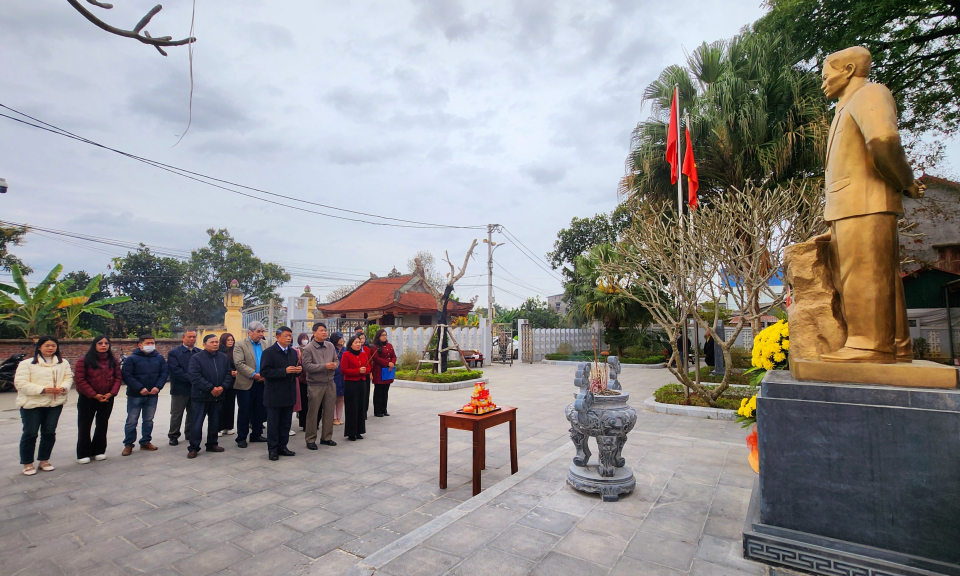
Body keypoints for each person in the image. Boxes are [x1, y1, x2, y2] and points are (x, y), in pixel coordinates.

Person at [14, 336, 73, 475]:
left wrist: (63, 388)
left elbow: (68, 378)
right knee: (30, 433)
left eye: (53, 345)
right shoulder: (27, 364)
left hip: (54, 403)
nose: (50, 348)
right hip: (32, 404)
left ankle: (44, 460)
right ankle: (28, 463)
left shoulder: (62, 363)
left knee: (49, 432)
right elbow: (21, 384)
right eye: (47, 345)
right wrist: (43, 389)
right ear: (39, 347)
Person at [74, 336, 121, 463]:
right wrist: (94, 395)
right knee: (85, 425)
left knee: (102, 424)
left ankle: (99, 450)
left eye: (106, 343)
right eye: (100, 343)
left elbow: (118, 378)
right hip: (88, 398)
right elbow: (80, 380)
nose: (103, 345)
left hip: (107, 398)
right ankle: (83, 452)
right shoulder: (84, 361)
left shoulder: (113, 360)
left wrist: (111, 393)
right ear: (94, 345)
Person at [187, 334, 233, 458]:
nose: (215, 344)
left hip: (218, 396)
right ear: (204, 344)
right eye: (212, 342)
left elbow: (228, 374)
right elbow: (195, 376)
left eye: (216, 342)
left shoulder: (223, 357)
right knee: (197, 423)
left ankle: (212, 444)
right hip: (201, 397)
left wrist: (222, 387)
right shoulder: (196, 358)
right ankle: (193, 447)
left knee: (215, 422)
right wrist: (211, 388)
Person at [121, 334, 167, 456]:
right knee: (132, 420)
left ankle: (145, 441)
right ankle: (128, 444)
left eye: (152, 343)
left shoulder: (159, 358)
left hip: (152, 395)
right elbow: (127, 375)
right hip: (135, 395)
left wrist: (158, 387)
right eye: (147, 343)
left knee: (148, 420)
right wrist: (139, 388)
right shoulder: (131, 359)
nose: (150, 345)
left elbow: (164, 373)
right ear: (140, 345)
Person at [260, 327, 301, 461]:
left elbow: (295, 371)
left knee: (286, 423)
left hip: (289, 393)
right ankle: (272, 449)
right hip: (274, 394)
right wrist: (284, 371)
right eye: (286, 336)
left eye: (290, 336)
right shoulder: (269, 352)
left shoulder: (293, 353)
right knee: (273, 424)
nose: (289, 338)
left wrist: (298, 370)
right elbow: (264, 372)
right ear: (277, 337)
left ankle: (283, 446)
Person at [301, 322, 339, 450]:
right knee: (313, 412)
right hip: (315, 384)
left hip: (330, 383)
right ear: (314, 332)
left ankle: (326, 437)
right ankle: (310, 439)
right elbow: (306, 366)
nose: (324, 332)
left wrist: (335, 365)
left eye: (325, 330)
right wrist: (324, 366)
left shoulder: (330, 346)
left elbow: (336, 360)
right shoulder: (308, 348)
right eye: (321, 330)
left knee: (329, 412)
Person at [234, 322, 268, 448]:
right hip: (246, 383)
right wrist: (254, 374)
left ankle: (256, 434)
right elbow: (239, 363)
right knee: (245, 411)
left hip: (262, 382)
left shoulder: (266, 344)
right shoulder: (240, 344)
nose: (261, 334)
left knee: (260, 410)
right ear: (250, 332)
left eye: (262, 331)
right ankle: (241, 437)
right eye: (259, 331)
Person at [166, 329, 200, 446]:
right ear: (183, 338)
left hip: (195, 389)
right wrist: (193, 378)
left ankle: (189, 433)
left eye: (194, 337)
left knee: (193, 412)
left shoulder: (198, 352)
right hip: (179, 388)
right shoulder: (174, 353)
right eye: (189, 337)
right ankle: (173, 435)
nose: (192, 339)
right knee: (177, 413)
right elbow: (175, 370)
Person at [340, 335, 368, 441]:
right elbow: (344, 370)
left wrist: (365, 370)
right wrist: (358, 371)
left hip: (361, 383)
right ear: (351, 344)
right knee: (352, 407)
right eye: (355, 342)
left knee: (361, 406)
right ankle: (351, 432)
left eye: (359, 342)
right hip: (351, 383)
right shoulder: (346, 355)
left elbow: (369, 367)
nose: (358, 344)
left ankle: (359, 431)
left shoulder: (363, 354)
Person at [371, 329, 397, 417]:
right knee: (379, 391)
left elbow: (394, 356)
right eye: (382, 335)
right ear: (378, 336)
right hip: (379, 370)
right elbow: (376, 358)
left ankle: (384, 409)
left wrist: (392, 363)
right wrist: (387, 363)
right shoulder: (375, 347)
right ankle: (377, 411)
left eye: (385, 335)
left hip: (388, 371)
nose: (384, 337)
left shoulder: (389, 345)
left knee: (385, 391)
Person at [217, 333, 238, 436]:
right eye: (228, 340)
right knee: (220, 405)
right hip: (222, 381)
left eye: (232, 340)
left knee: (230, 404)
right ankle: (219, 427)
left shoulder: (235, 351)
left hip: (233, 382)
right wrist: (229, 372)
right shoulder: (219, 352)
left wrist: (236, 372)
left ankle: (229, 426)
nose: (230, 342)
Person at [295, 332, 310, 432]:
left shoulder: (309, 348)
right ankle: (303, 422)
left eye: (306, 338)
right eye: (303, 338)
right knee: (303, 402)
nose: (305, 340)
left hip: (310, 380)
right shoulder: (296, 350)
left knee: (310, 403)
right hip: (301, 380)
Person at [331, 332, 345, 425]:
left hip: (343, 375)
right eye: (339, 338)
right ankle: (333, 417)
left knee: (341, 398)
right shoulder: (332, 349)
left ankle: (339, 417)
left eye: (342, 338)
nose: (341, 340)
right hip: (335, 375)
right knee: (334, 397)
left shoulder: (345, 349)